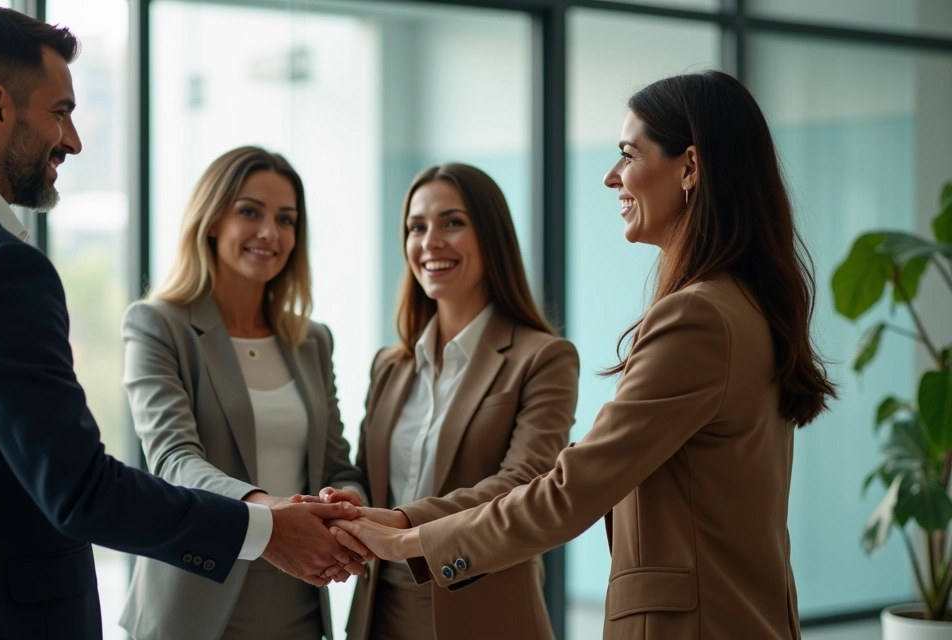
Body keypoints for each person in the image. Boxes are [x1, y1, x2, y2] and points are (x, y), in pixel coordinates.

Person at [0, 9, 357, 640]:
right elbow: (80, 489)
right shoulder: (0, 267)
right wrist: (266, 530)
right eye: (60, 112)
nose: (73, 141)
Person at [330, 70, 837, 640]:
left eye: (628, 154)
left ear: (690, 167)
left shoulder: (696, 317)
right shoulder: (745, 304)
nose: (611, 176)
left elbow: (571, 488)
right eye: (415, 227)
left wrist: (409, 540)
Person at [117, 146, 369, 640]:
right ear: (212, 221)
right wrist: (270, 515)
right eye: (250, 212)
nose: (269, 233)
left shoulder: (312, 340)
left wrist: (344, 503)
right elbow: (173, 460)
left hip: (298, 604)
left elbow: (337, 465)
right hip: (193, 605)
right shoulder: (157, 325)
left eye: (286, 219)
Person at [341, 164, 578, 640]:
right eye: (417, 227)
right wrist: (352, 503)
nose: (430, 242)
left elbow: (522, 485)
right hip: (380, 614)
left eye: (452, 222)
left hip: (486, 616)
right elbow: (369, 475)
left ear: (491, 237)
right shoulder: (390, 365)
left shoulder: (543, 358)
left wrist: (403, 525)